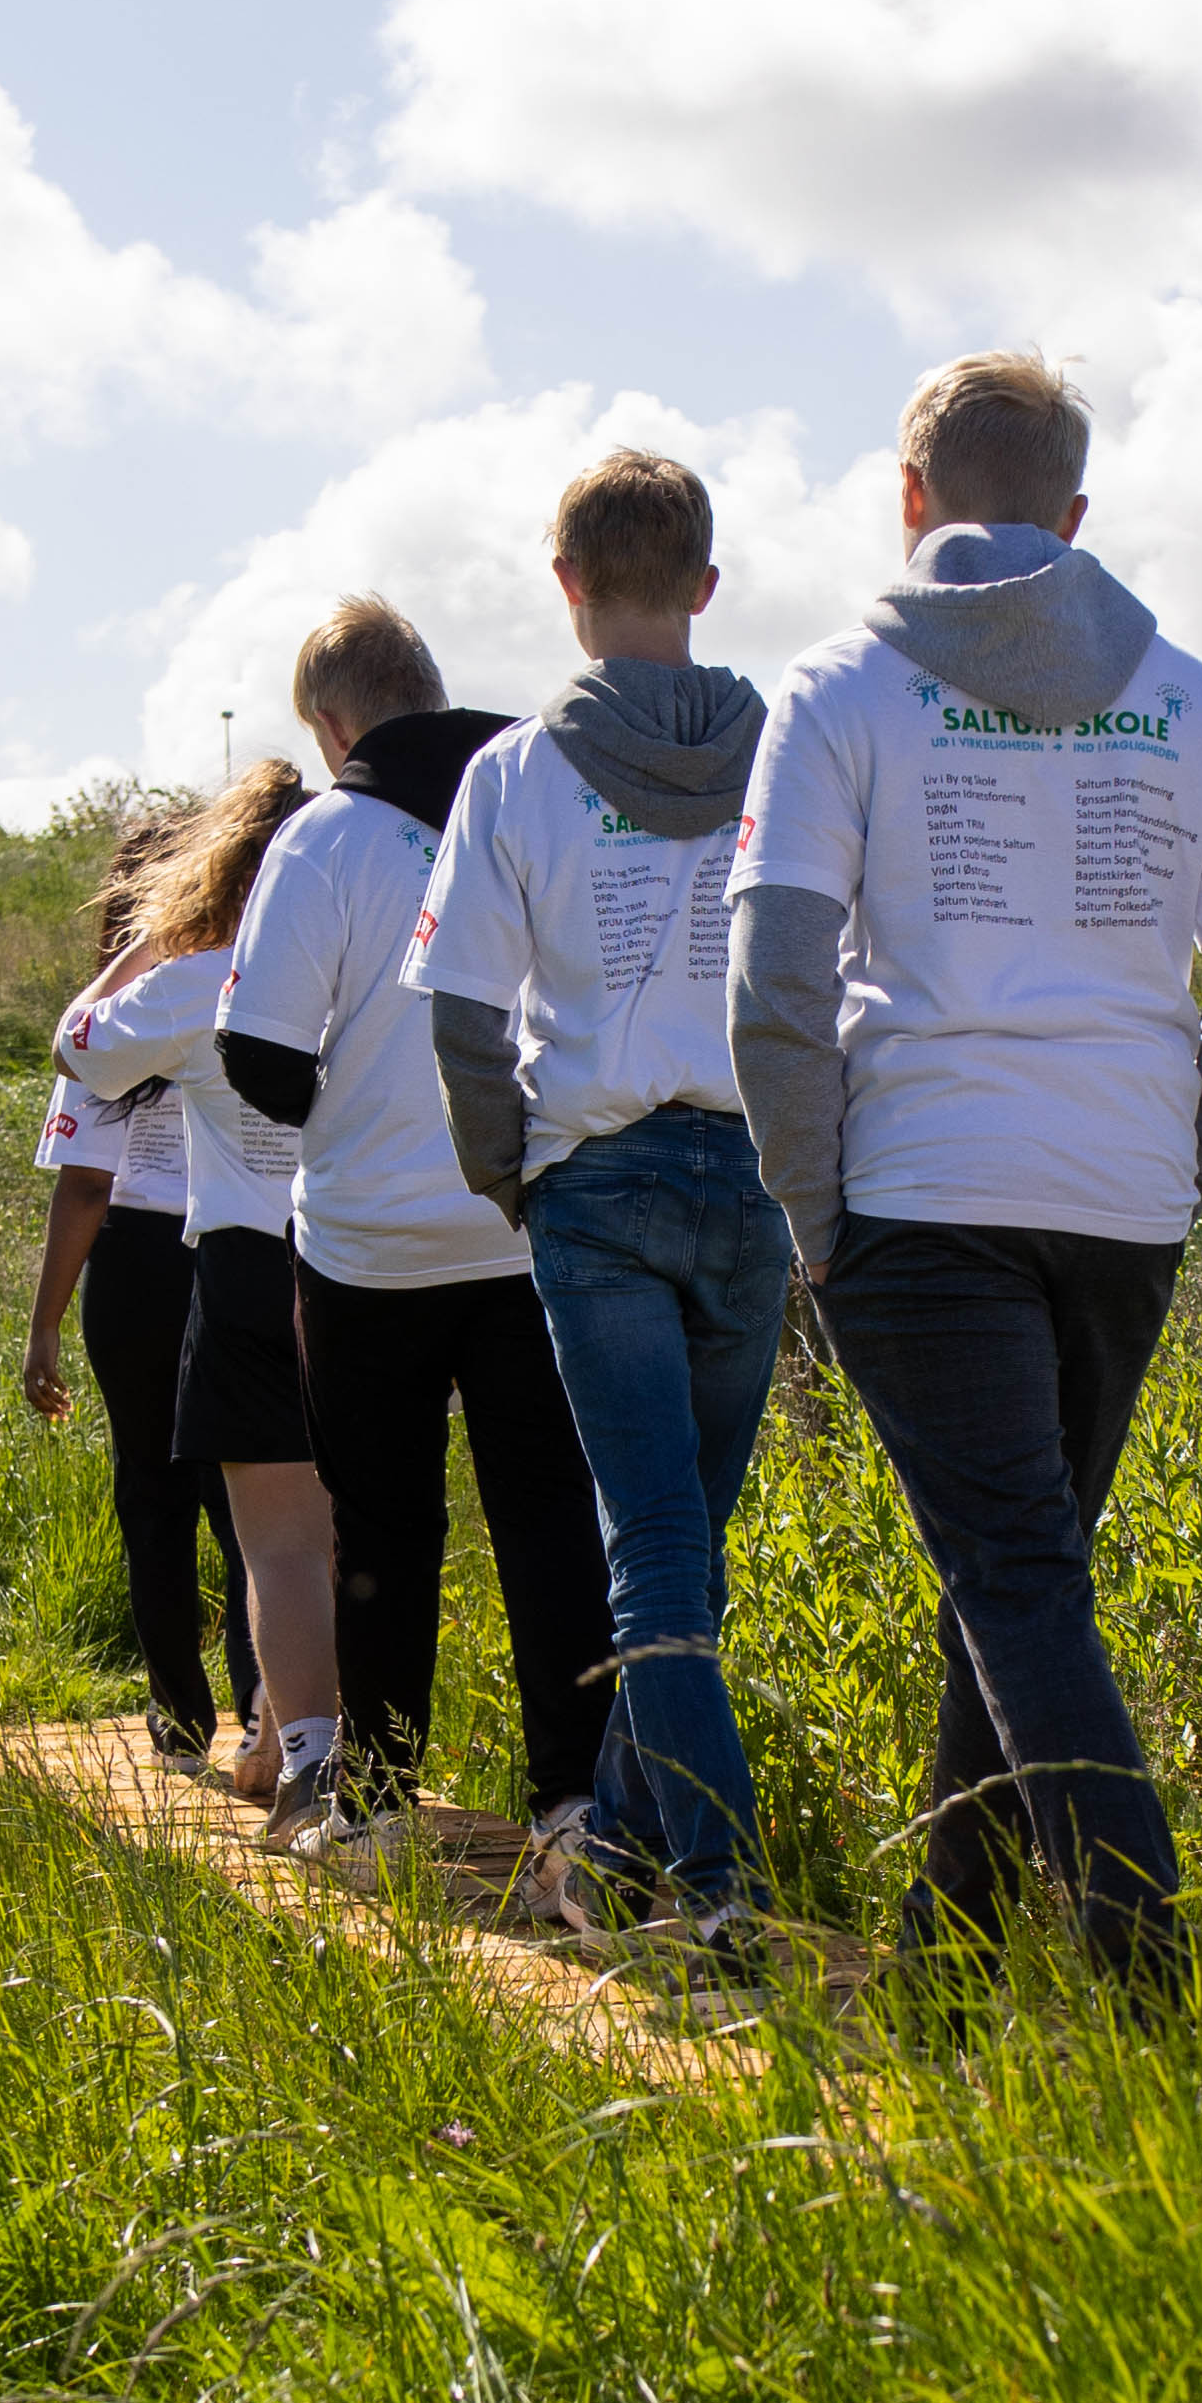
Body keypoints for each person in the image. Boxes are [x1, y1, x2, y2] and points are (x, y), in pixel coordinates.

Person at [727, 353, 1202, 1973]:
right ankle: (943, 1960)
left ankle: (1151, 1980)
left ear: (908, 499)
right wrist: (1186, 1152)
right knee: (1014, 1578)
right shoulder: (1193, 697)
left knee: (1013, 1579)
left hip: (918, 1192)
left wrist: (806, 1207)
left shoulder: (841, 690)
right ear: (1073, 515)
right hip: (1121, 1205)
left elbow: (775, 982)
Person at [404, 450, 782, 1947]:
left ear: (567, 590)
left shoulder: (512, 772)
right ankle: (619, 1850)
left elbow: (459, 1009)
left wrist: (514, 1175)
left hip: (596, 1181)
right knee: (691, 1546)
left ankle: (714, 1880)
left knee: (656, 1551)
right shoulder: (787, 754)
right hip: (753, 1179)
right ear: (705, 585)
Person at [215, 599, 618, 1856]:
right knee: (550, 1519)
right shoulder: (540, 801)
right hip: (526, 1225)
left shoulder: (328, 838)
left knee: (383, 1526)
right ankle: (570, 1811)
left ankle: (379, 1805)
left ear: (332, 725)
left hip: (371, 1244)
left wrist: (357, 1091)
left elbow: (263, 1061)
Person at [55, 765, 343, 1825]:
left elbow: (79, 1044)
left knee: (271, 1535)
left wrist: (157, 933)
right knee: (351, 1521)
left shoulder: (201, 975)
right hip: (364, 1256)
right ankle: (294, 1728)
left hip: (242, 1265)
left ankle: (298, 1746)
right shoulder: (349, 968)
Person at [24, 811, 258, 1769]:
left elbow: (83, 1187)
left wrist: (41, 1331)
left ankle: (176, 1722)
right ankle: (271, 1714)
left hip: (135, 1264)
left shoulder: (121, 1020)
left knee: (149, 1491)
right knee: (247, 1490)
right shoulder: (241, 993)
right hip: (236, 1249)